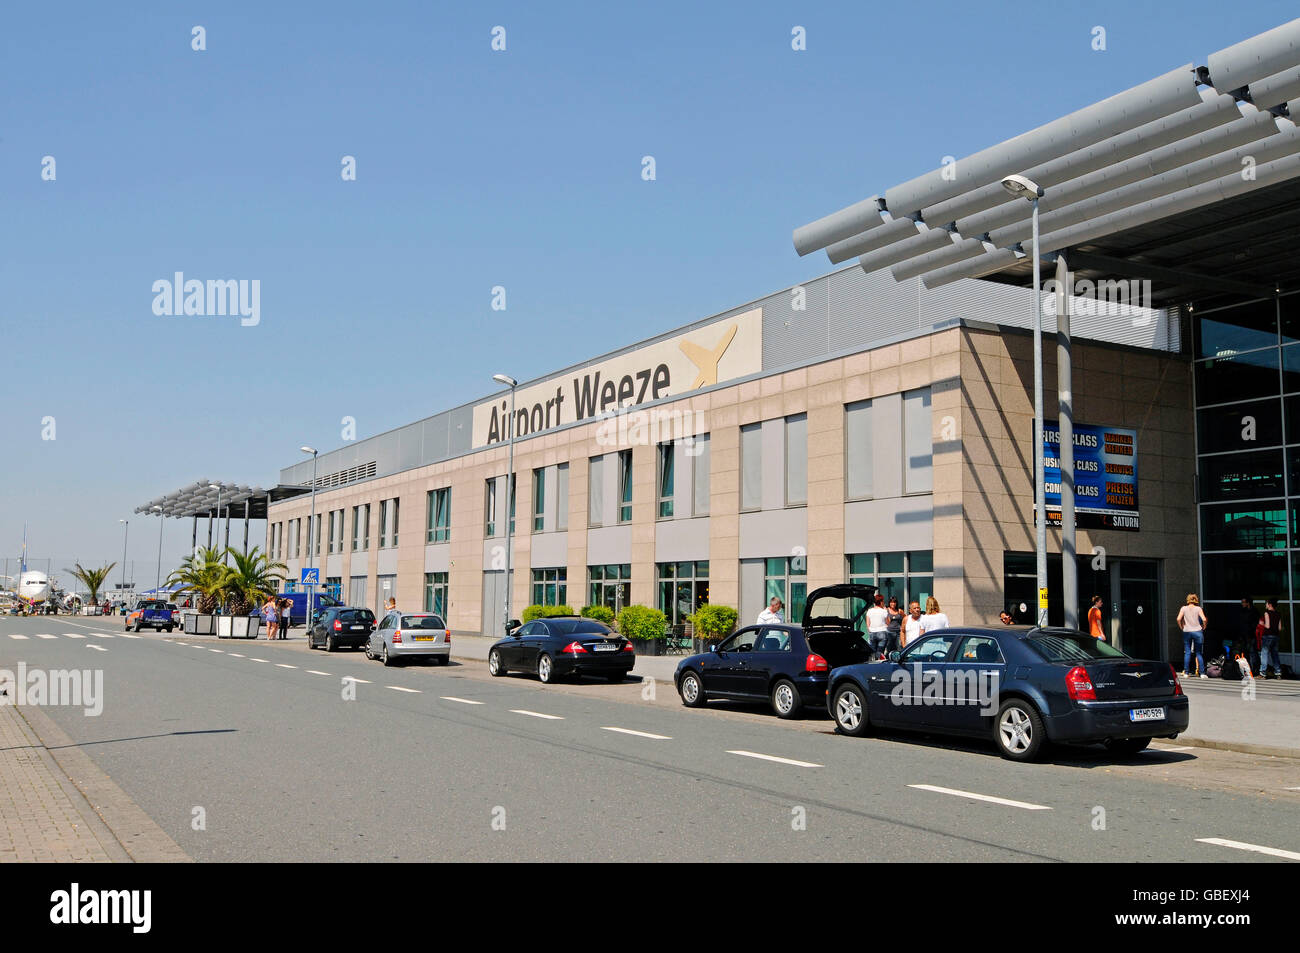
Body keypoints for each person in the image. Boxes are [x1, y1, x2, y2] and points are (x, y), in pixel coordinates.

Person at [1176, 593, 1207, 679]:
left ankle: (1186, 672)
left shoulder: (1183, 608)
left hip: (1187, 631)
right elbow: (1204, 619)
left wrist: (1181, 627)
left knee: (1187, 652)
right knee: (1198, 653)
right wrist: (1204, 626)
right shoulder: (1198, 608)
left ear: (1188, 600)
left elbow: (1178, 618)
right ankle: (1202, 673)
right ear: (1196, 599)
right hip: (1197, 631)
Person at [1230, 597, 1256, 672]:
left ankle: (1254, 669)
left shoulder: (1253, 612)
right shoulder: (1242, 611)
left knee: (1252, 653)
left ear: (1248, 603)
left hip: (1250, 635)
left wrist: (1250, 632)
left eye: (1243, 602)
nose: (1242, 604)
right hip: (1243, 636)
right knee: (1246, 653)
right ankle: (1247, 668)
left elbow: (1253, 624)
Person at [1260, 598, 1283, 679]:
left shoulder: (1267, 613)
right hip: (1276, 636)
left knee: (1264, 654)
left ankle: (1263, 673)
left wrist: (1262, 623)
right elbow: (1279, 628)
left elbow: (1268, 626)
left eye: (1266, 603)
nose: (1265, 605)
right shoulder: (1278, 614)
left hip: (1267, 636)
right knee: (1275, 655)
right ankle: (1278, 672)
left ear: (1269, 604)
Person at [866, 593, 890, 658]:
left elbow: (868, 623)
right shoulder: (884, 611)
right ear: (881, 602)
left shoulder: (869, 611)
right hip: (882, 632)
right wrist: (886, 610)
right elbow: (888, 622)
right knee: (880, 652)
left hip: (872, 632)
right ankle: (879, 663)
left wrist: (870, 631)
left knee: (873, 652)